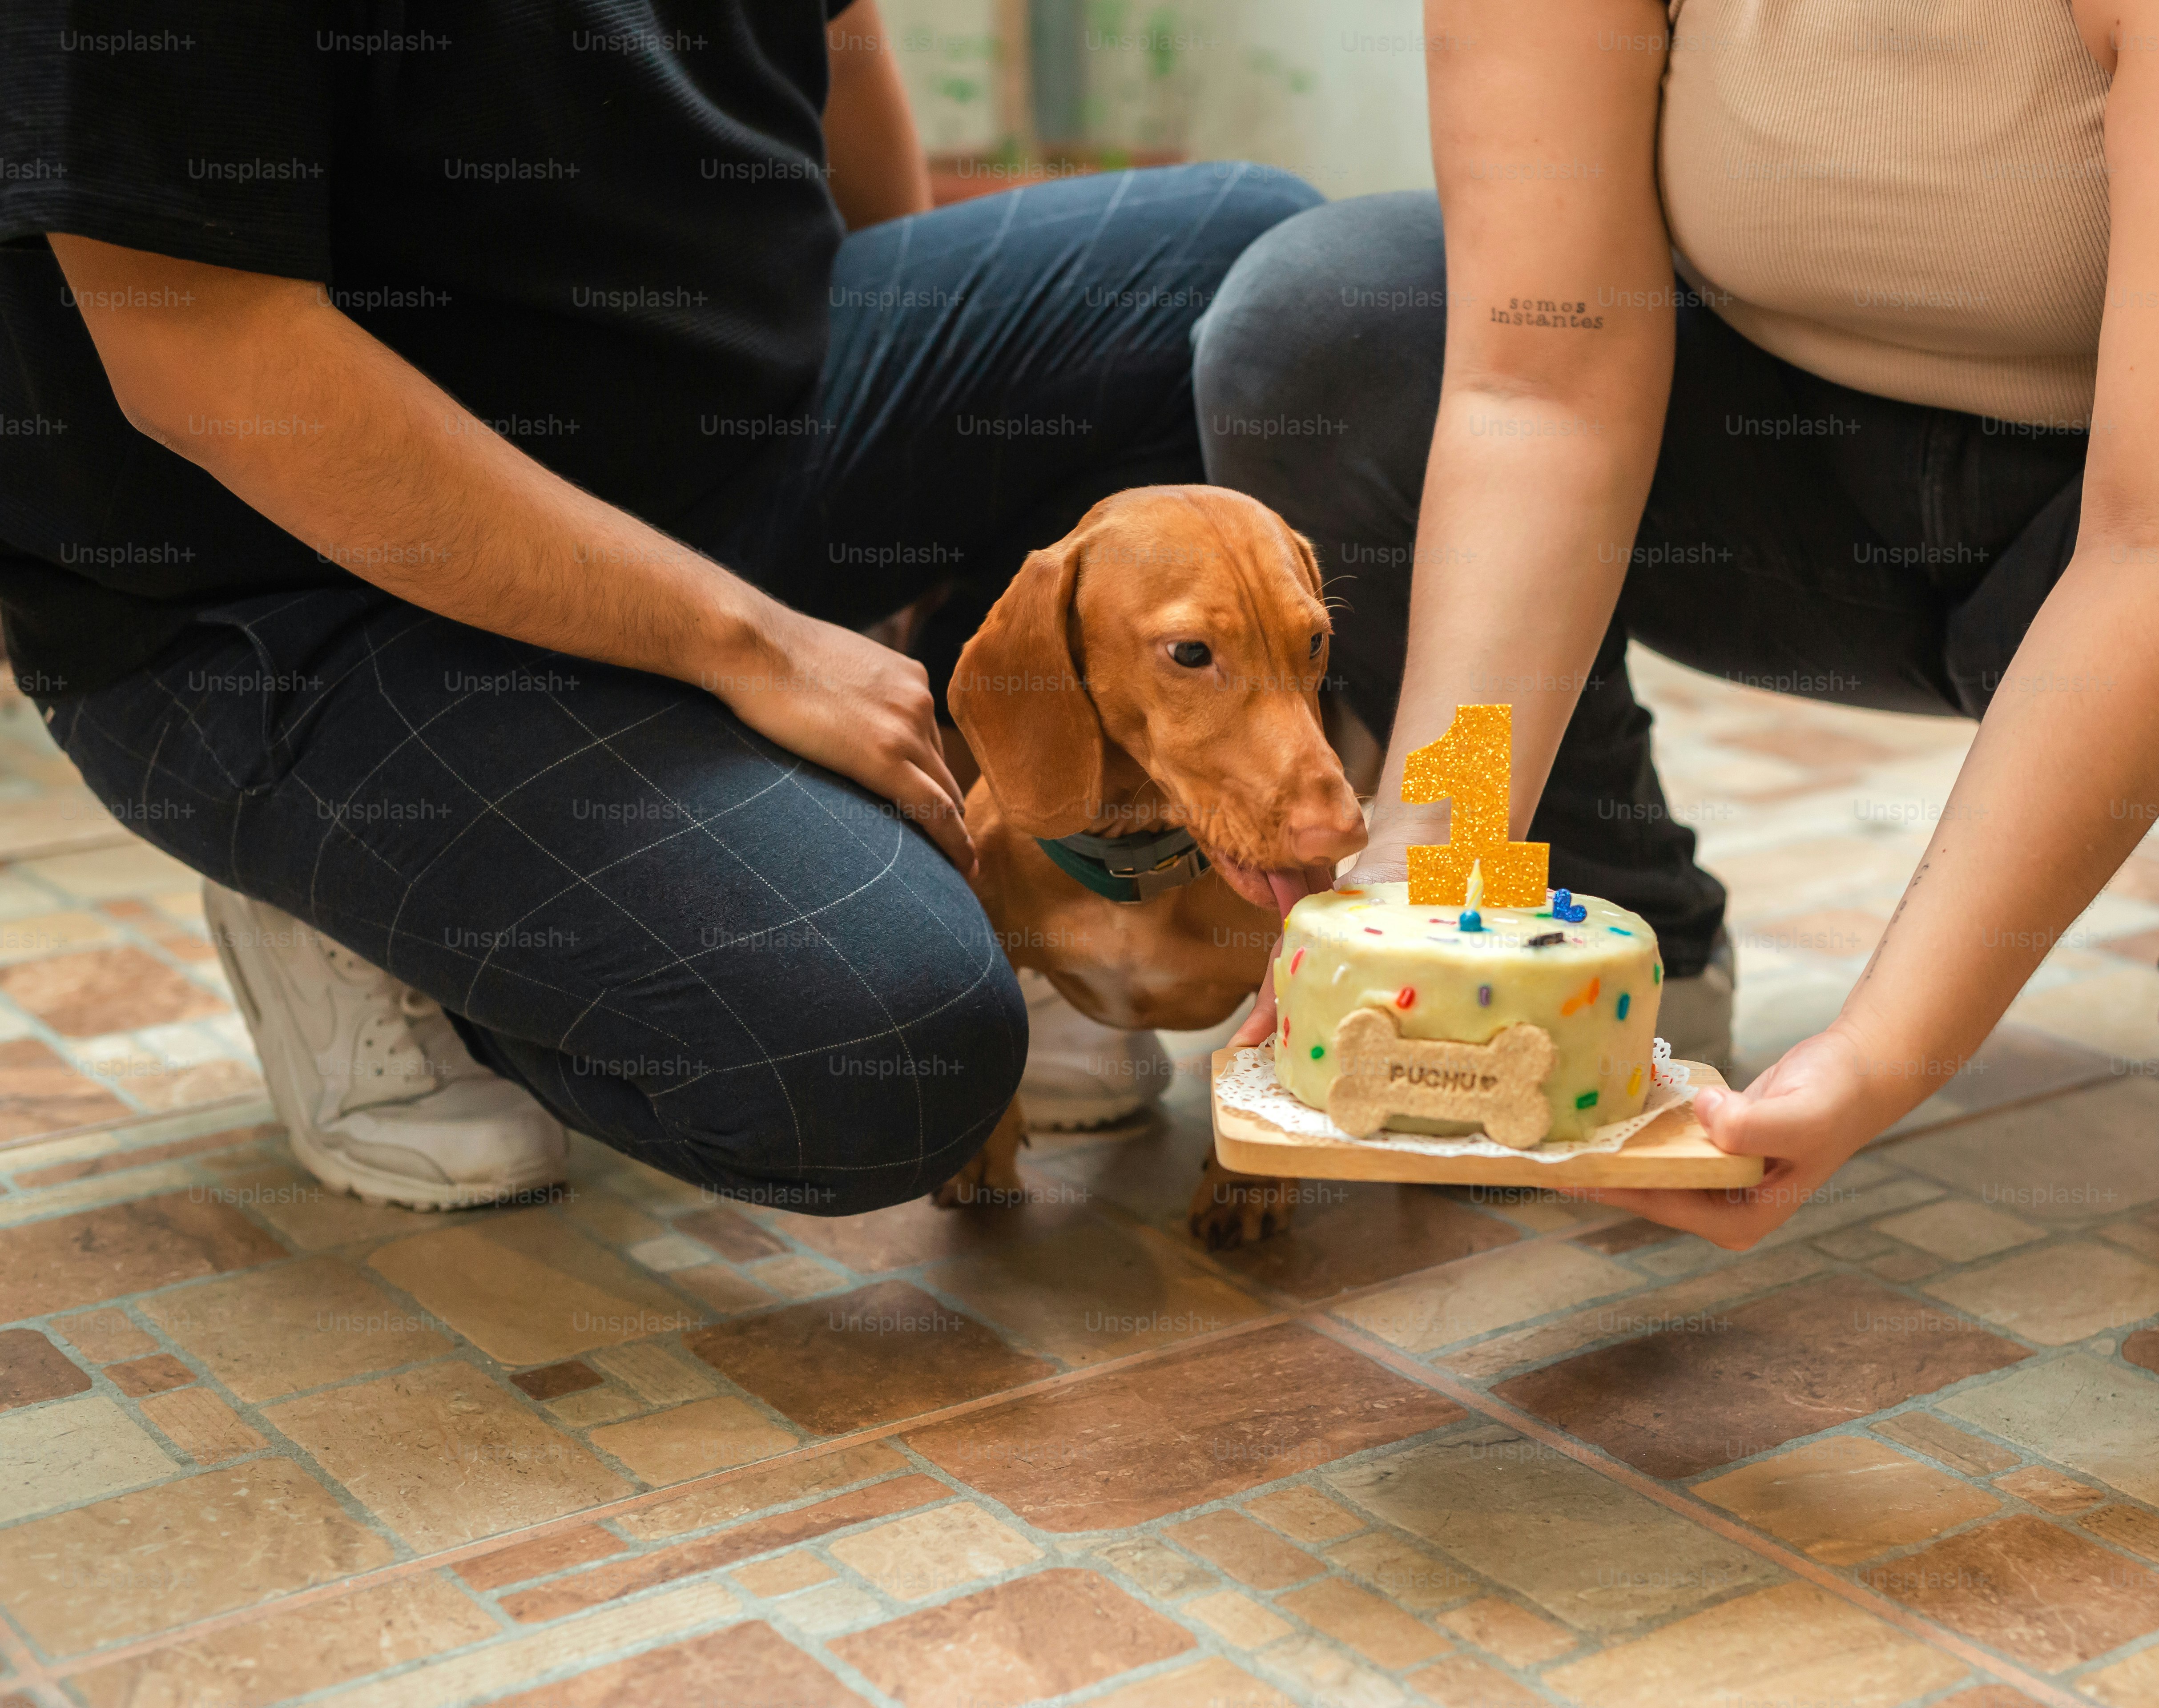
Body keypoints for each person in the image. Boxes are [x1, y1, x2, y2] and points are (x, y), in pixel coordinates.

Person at [1198, 0, 2159, 1301]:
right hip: (1789, 441)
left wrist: (1883, 1052)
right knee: (1329, 329)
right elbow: (1537, 393)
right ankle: (1621, 949)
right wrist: (1432, 880)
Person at [2, 1, 1317, 1213]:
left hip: (711, 452)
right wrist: (738, 641)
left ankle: (1064, 901)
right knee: (895, 1052)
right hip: (282, 597)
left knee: (1272, 280)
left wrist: (933, 516)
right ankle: (342, 891)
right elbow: (205, 355)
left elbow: (836, 35)